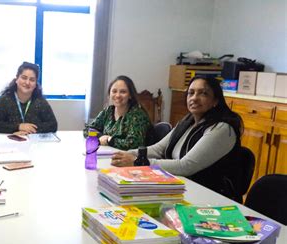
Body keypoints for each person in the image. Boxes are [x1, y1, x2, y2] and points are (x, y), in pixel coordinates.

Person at [111, 76, 244, 201]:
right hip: (181, 187)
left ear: (215, 100)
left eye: (203, 93)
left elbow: (185, 166)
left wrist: (138, 161)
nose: (194, 98)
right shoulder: (188, 122)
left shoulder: (221, 129)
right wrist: (126, 154)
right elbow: (158, 149)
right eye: (191, 93)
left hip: (209, 197)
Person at [83, 75, 151, 150]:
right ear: (109, 94)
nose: (118, 95)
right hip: (109, 154)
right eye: (114, 91)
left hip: (133, 159)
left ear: (130, 95)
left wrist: (110, 140)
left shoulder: (137, 115)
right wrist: (100, 136)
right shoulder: (108, 111)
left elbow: (134, 144)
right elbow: (88, 130)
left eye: (123, 92)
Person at [0, 61, 58, 135]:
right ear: (17, 79)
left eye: (32, 80)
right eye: (24, 78)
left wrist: (29, 130)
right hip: (10, 143)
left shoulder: (40, 101)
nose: (27, 82)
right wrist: (18, 127)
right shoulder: (5, 100)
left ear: (35, 84)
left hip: (34, 144)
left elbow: (53, 125)